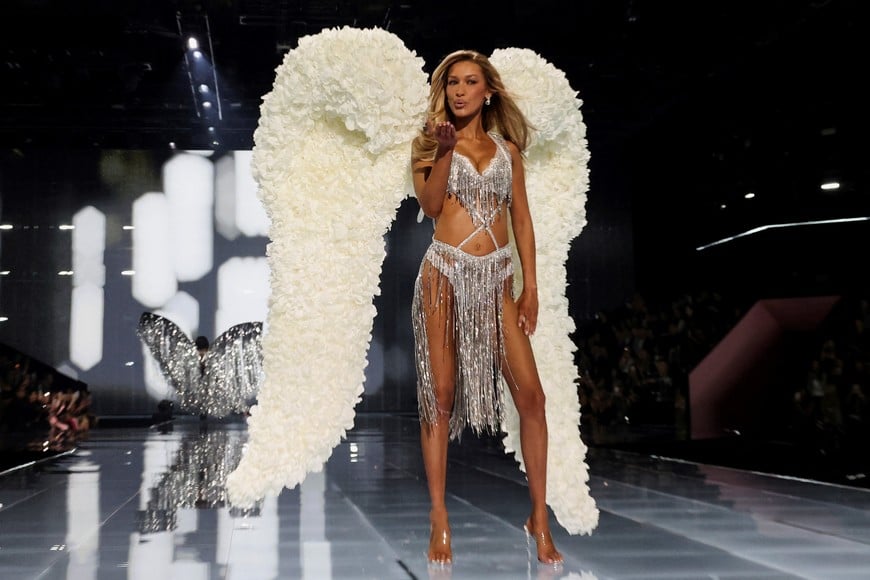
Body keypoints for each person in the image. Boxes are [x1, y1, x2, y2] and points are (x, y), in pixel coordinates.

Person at [411, 49, 562, 566]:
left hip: (498, 280)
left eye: (470, 81)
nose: (459, 90)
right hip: (444, 275)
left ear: (487, 90)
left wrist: (532, 288)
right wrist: (446, 153)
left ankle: (539, 517)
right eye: (452, 81)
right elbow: (430, 206)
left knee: (534, 398)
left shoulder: (507, 151)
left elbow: (521, 221)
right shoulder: (428, 143)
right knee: (441, 394)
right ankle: (439, 517)